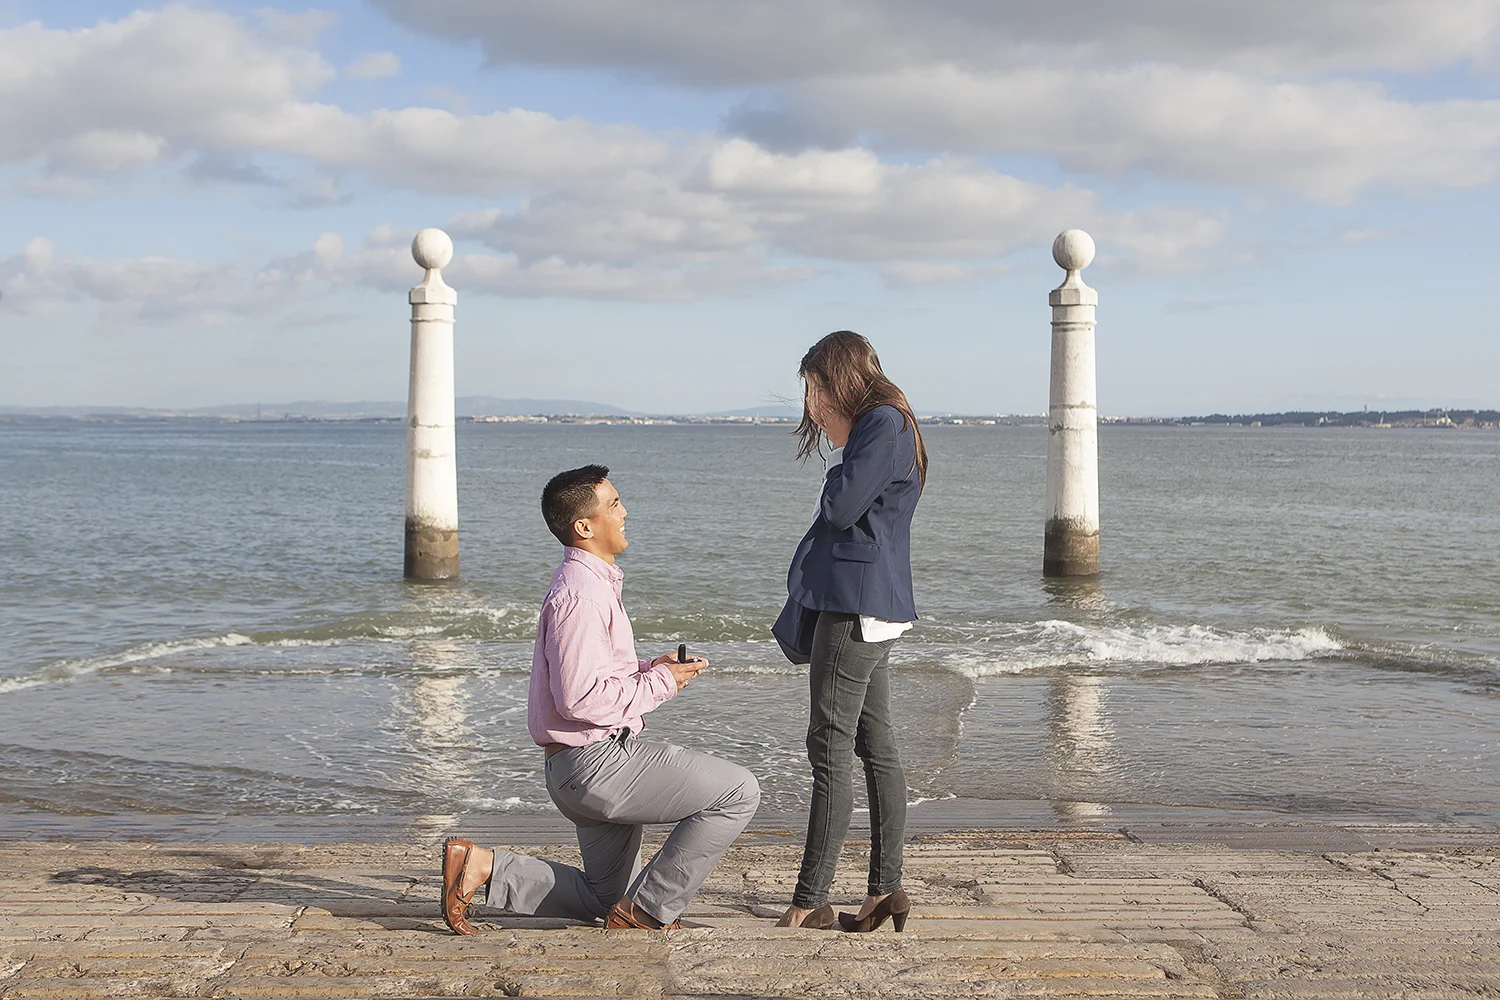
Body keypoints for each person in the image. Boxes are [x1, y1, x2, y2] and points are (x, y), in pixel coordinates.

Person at [440, 464, 761, 934]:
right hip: (597, 764)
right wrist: (663, 685)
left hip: (577, 766)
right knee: (738, 792)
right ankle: (649, 913)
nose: (624, 511)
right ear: (584, 526)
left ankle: (483, 868)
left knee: (604, 896)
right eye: (613, 503)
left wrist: (652, 670)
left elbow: (590, 680)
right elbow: (581, 698)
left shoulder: (589, 586)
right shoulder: (582, 595)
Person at [771, 331, 927, 933]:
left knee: (829, 748)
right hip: (872, 603)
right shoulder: (888, 423)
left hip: (855, 606)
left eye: (813, 386)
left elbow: (841, 509)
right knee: (874, 745)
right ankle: (886, 889)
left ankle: (810, 899)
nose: (810, 401)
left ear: (836, 379)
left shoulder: (881, 423)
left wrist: (837, 450)